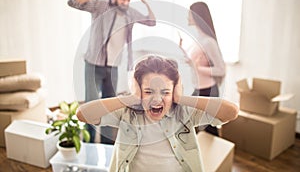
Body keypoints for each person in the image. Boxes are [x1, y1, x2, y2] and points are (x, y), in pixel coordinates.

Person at [76, 55, 238, 172]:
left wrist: (182, 98)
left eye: (165, 92)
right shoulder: (127, 113)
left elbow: (231, 112)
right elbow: (83, 114)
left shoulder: (183, 112)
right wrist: (130, 98)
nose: (157, 99)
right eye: (148, 91)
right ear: (139, 91)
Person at [68, 0, 156, 144]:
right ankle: (90, 144)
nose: (125, 2)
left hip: (113, 67)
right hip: (94, 64)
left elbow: (151, 22)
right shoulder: (99, 6)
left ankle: (108, 145)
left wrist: (145, 3)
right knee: (91, 107)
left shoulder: (129, 12)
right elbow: (73, 1)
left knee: (110, 108)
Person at [180, 2, 226, 136]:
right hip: (199, 88)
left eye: (190, 14)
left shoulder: (209, 42)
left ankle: (219, 155)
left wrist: (198, 67)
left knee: (209, 129)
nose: (187, 17)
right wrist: (189, 59)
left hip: (208, 91)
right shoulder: (198, 39)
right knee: (198, 126)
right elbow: (197, 62)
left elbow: (220, 69)